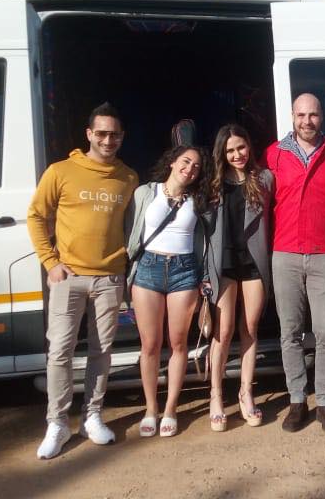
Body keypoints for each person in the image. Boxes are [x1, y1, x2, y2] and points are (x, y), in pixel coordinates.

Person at [27, 102, 139, 459]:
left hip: (109, 278)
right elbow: (36, 216)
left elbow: (131, 227)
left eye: (115, 134)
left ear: (122, 137)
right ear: (89, 134)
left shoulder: (128, 178)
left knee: (101, 352)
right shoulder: (61, 172)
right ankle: (57, 423)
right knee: (60, 352)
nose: (108, 140)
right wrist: (50, 263)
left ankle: (92, 416)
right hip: (69, 277)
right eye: (101, 133)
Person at [265, 93, 325, 434]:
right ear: (293, 116)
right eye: (301, 115)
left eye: (313, 115)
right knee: (289, 332)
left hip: (324, 253)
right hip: (285, 252)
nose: (307, 121)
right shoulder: (274, 154)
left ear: (323, 116)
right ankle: (297, 400)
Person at [126, 144, 211, 438]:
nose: (190, 169)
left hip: (184, 270)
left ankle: (171, 408)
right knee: (150, 345)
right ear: (172, 161)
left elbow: (204, 239)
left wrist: (203, 276)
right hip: (148, 268)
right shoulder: (145, 192)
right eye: (185, 161)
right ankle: (151, 408)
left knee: (178, 343)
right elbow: (130, 231)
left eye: (196, 166)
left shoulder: (198, 199)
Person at [205, 124, 274, 431]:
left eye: (241, 147)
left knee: (250, 328)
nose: (237, 155)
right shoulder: (213, 184)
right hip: (224, 263)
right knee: (223, 331)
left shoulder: (264, 179)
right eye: (230, 150)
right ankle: (216, 395)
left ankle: (246, 392)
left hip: (253, 262)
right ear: (222, 153)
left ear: (249, 146)